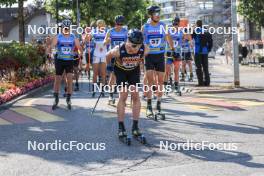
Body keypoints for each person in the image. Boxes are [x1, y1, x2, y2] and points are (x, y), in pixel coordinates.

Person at [106, 29, 148, 138]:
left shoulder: (145, 49)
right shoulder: (118, 49)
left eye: (138, 46)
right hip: (121, 71)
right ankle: (121, 126)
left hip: (134, 71)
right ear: (127, 41)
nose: (135, 48)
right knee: (123, 95)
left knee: (135, 95)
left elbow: (142, 57)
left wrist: (137, 61)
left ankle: (135, 126)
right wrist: (109, 66)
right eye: (132, 45)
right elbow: (107, 55)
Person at [142, 5, 175, 117]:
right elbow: (141, 42)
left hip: (160, 56)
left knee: (160, 82)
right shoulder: (145, 27)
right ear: (151, 15)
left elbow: (168, 37)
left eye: (158, 13)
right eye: (156, 13)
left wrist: (172, 49)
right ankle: (149, 105)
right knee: (150, 82)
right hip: (149, 56)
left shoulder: (163, 25)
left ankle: (159, 104)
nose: (158, 15)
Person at [49, 19, 83, 110]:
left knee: (70, 78)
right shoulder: (58, 37)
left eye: (68, 28)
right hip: (59, 60)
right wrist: (49, 51)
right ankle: (56, 98)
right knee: (58, 79)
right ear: (62, 28)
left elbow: (79, 47)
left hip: (69, 60)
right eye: (65, 28)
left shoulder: (73, 37)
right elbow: (52, 46)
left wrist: (80, 52)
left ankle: (68, 98)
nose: (66, 29)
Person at [104, 15, 128, 104]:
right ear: (115, 23)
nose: (119, 26)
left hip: (122, 56)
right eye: (118, 24)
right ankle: (110, 95)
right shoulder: (110, 31)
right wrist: (107, 41)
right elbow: (104, 42)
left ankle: (121, 97)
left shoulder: (125, 32)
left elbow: (128, 43)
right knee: (113, 76)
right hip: (113, 55)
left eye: (121, 24)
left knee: (123, 77)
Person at [164, 17, 183, 94]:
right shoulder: (168, 31)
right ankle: (166, 87)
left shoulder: (181, 31)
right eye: (174, 23)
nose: (175, 25)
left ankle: (176, 88)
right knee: (167, 71)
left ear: (179, 23)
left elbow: (187, 38)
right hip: (169, 53)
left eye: (177, 23)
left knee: (176, 71)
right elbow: (164, 38)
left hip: (177, 53)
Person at [192, 20, 212, 87]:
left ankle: (200, 83)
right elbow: (211, 41)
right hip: (205, 51)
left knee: (198, 67)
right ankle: (207, 82)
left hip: (197, 51)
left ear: (197, 24)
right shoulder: (206, 31)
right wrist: (208, 49)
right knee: (205, 67)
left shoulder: (195, 30)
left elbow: (190, 37)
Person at [90, 19, 108, 97]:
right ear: (97, 25)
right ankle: (94, 90)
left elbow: (108, 40)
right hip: (96, 53)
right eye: (99, 25)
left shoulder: (107, 31)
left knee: (103, 73)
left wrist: (106, 43)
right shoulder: (94, 31)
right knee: (95, 73)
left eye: (102, 24)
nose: (101, 26)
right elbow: (89, 39)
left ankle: (102, 90)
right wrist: (88, 37)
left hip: (104, 53)